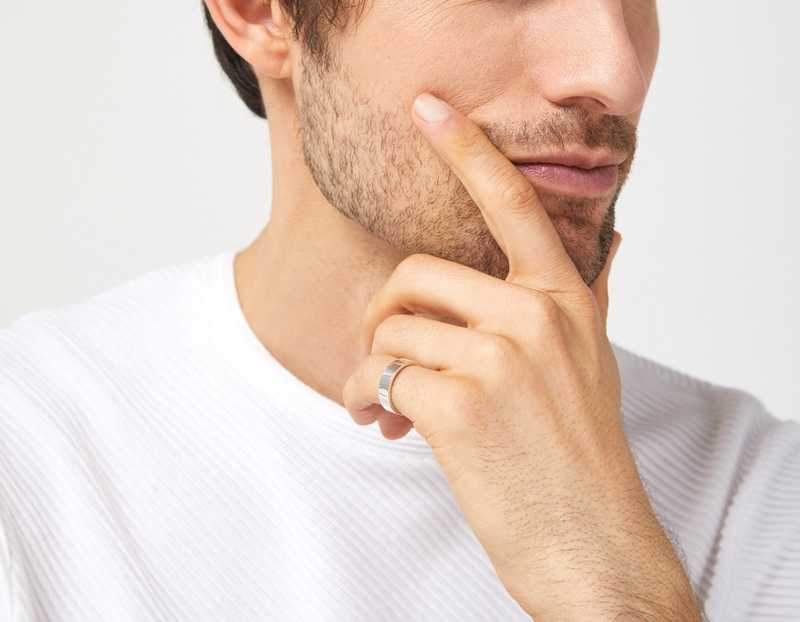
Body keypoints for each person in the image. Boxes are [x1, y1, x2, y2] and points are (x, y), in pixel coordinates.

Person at [1, 1, 797, 620]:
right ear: (258, 11)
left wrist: (614, 587)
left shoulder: (760, 495)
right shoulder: (31, 455)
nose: (615, 72)